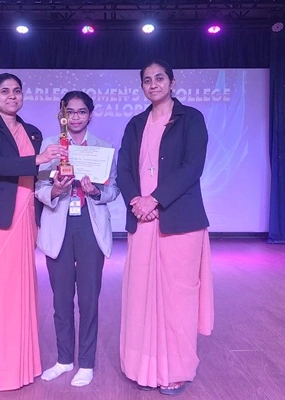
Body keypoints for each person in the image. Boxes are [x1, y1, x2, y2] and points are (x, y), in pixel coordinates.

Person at [116, 60, 214, 395]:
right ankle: (142, 367)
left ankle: (176, 370)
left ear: (172, 82)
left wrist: (154, 200)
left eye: (159, 78)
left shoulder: (191, 119)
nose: (153, 84)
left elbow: (192, 167)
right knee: (140, 296)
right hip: (142, 220)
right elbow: (124, 169)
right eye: (147, 80)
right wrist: (136, 201)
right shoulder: (135, 124)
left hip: (179, 221)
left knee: (177, 299)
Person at [0, 73, 67, 391]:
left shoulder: (33, 132)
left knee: (23, 293)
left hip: (25, 218)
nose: (12, 96)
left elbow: (37, 175)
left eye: (17, 91)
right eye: (5, 91)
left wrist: (57, 179)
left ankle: (23, 366)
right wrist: (40, 158)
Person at [35, 91, 120, 387]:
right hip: (58, 224)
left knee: (88, 300)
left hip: (90, 225)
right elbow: (39, 188)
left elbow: (113, 190)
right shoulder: (50, 146)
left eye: (81, 112)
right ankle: (64, 360)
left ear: (90, 115)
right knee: (60, 300)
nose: (75, 117)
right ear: (62, 115)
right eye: (70, 112)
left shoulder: (103, 148)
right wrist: (56, 190)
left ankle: (86, 363)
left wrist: (95, 191)